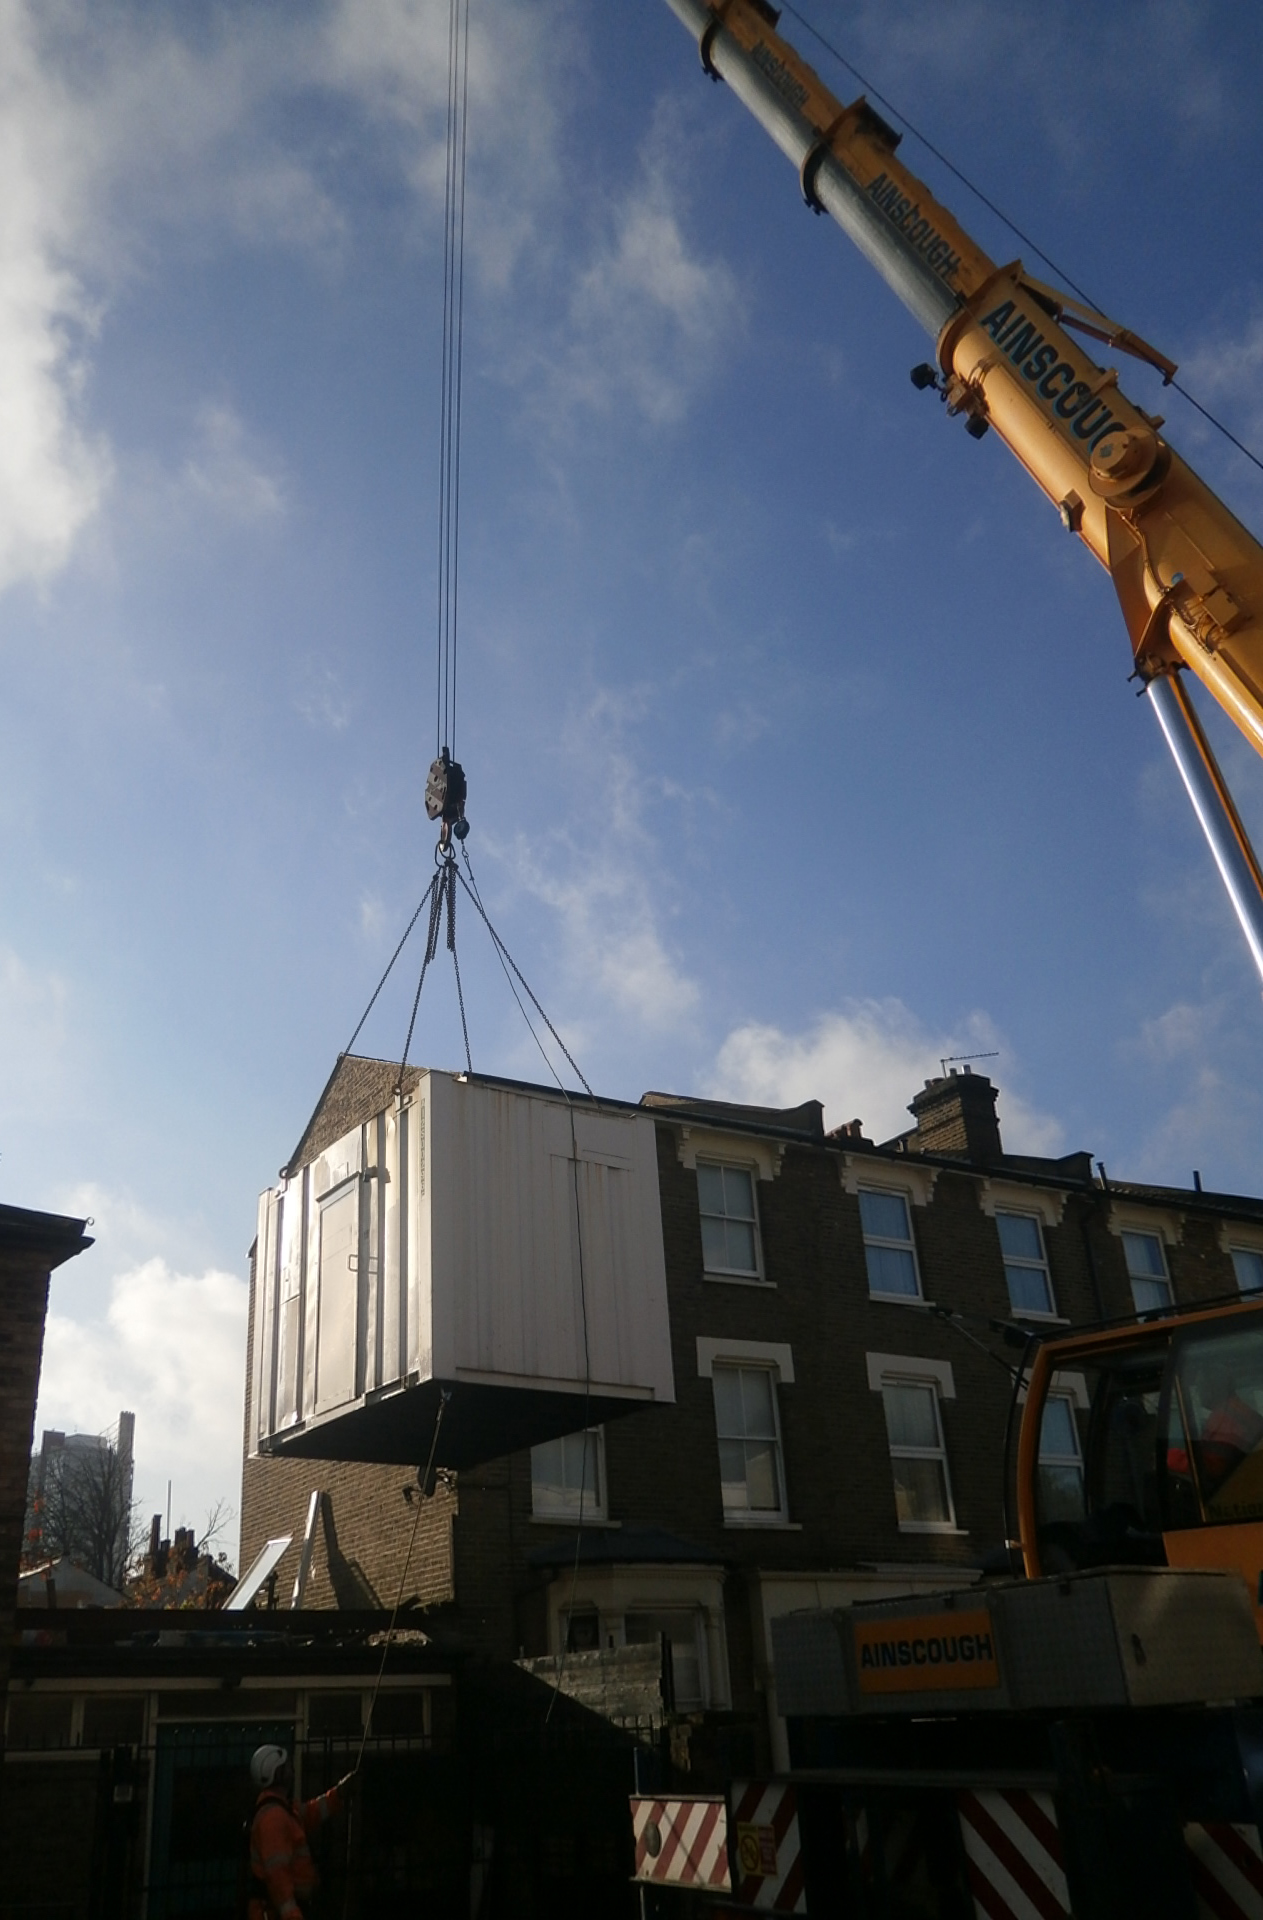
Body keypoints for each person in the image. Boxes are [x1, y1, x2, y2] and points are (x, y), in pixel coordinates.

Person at [247, 1744, 355, 1920]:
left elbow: (311, 1813)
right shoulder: (274, 1817)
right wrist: (292, 1915)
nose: (292, 1768)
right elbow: (277, 1877)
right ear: (277, 1773)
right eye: (286, 1765)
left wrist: (339, 1793)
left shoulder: (282, 1809)